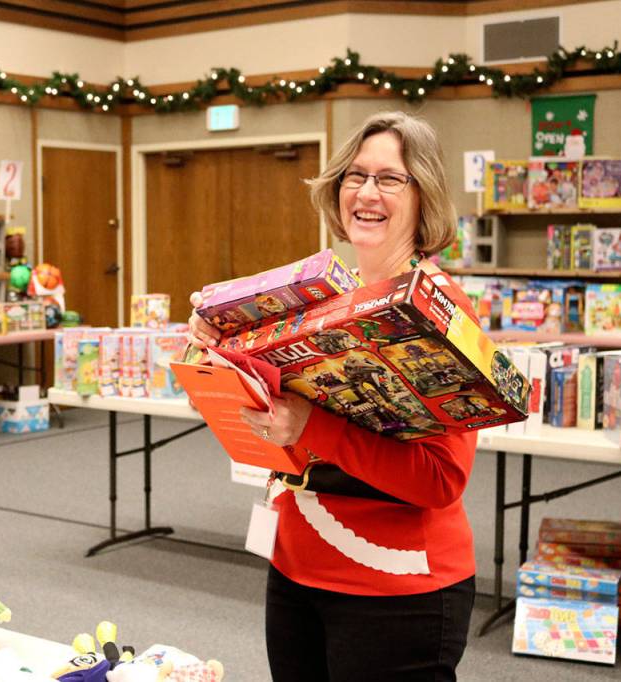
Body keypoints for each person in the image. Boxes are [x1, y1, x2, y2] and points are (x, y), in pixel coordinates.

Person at [187, 111, 477, 681]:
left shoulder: (440, 311)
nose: (367, 192)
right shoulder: (319, 296)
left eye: (390, 178)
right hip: (296, 568)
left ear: (425, 195)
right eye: (355, 175)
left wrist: (309, 428)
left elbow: (441, 480)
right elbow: (263, 414)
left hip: (398, 586)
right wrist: (214, 349)